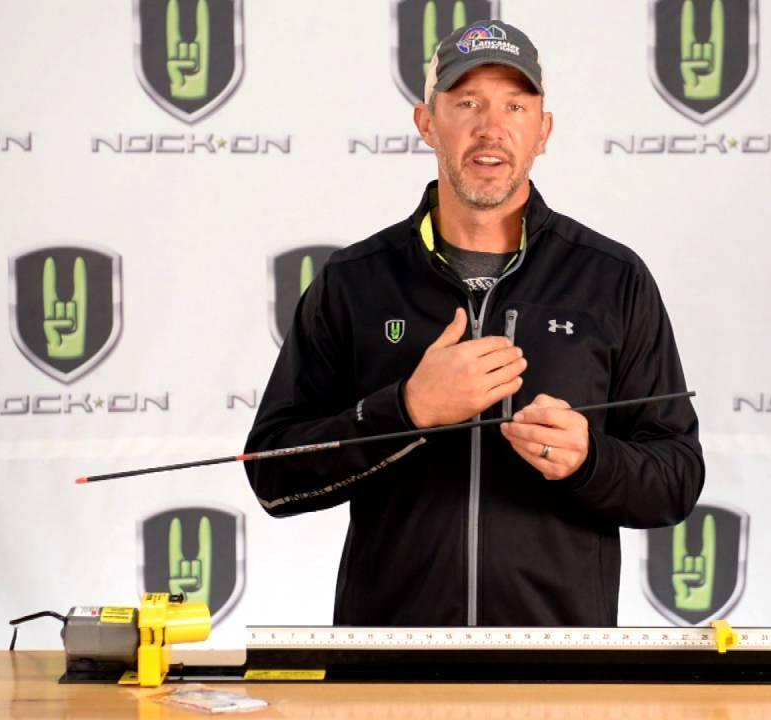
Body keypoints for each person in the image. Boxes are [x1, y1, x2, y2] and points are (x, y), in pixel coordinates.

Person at [244, 20, 704, 627]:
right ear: (426, 123)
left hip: (559, 659)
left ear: (543, 130)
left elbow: (676, 478)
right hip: (390, 658)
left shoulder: (611, 279)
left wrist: (590, 460)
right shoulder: (354, 281)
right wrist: (405, 410)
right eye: (467, 103)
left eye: (515, 105)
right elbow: (273, 475)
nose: (491, 127)